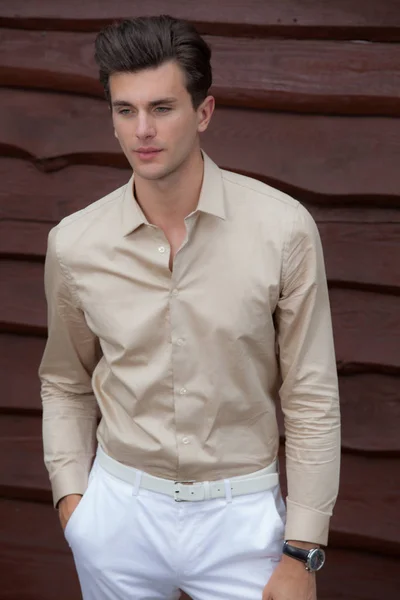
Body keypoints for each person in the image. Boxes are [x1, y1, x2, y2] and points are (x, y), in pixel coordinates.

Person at [39, 14, 340, 600]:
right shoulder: (74, 243)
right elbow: (64, 380)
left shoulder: (283, 231)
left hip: (243, 522)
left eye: (162, 108)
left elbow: (311, 394)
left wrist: (303, 549)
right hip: (117, 516)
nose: (142, 130)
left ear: (202, 113)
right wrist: (75, 504)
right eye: (125, 110)